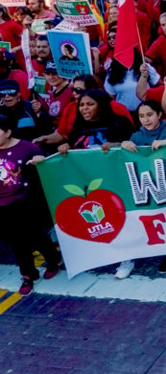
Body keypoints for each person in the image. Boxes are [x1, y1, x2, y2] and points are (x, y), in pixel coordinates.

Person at [116, 100, 166, 278]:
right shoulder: (137, 137)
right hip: (150, 185)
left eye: (149, 115)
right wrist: (123, 146)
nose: (145, 120)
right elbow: (126, 161)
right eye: (141, 116)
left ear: (159, 115)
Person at [0, 115, 61, 296]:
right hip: (2, 206)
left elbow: (45, 169)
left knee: (35, 235)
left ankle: (52, 259)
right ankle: (28, 275)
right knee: (16, 241)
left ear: (8, 132)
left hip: (25, 201)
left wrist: (39, 161)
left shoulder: (27, 148)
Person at [57, 90, 135, 154]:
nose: (84, 108)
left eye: (90, 104)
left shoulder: (120, 122)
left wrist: (117, 145)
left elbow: (134, 146)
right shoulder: (78, 125)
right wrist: (65, 147)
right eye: (81, 105)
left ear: (101, 105)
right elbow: (71, 145)